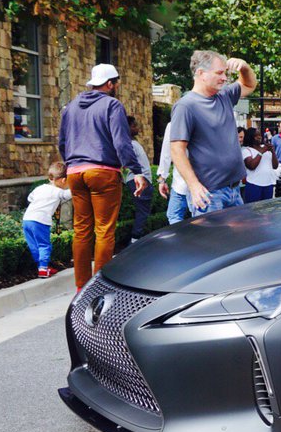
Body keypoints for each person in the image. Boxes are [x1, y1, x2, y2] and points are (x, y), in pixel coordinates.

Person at [58, 63, 147, 289]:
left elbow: (62, 142)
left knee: (82, 230)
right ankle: (98, 287)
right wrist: (135, 170)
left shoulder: (70, 107)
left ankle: (81, 286)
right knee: (104, 230)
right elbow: (121, 142)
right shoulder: (112, 105)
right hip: (103, 172)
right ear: (110, 84)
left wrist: (71, 163)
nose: (116, 87)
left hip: (75, 172)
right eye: (116, 83)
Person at [168, 50, 257, 216]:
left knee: (239, 242)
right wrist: (194, 186)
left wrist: (244, 67)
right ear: (201, 73)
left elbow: (249, 85)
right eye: (219, 73)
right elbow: (177, 150)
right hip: (210, 194)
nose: (224, 78)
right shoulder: (186, 106)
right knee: (211, 242)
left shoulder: (224, 95)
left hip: (234, 189)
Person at [22, 160, 71, 278]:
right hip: (40, 221)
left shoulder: (39, 188)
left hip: (27, 219)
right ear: (63, 180)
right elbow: (69, 195)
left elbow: (30, 198)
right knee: (44, 245)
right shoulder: (58, 192)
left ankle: (41, 266)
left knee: (34, 245)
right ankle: (43, 269)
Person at [118, 116, 153, 249]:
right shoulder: (129, 144)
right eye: (134, 126)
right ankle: (134, 241)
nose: (137, 128)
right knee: (143, 212)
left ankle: (137, 239)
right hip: (139, 181)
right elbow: (125, 163)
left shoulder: (131, 143)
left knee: (142, 211)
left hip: (140, 180)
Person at [156, 131, 190, 224]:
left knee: (174, 216)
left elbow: (166, 154)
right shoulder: (208, 118)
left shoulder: (174, 123)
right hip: (206, 181)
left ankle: (182, 238)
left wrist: (161, 180)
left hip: (181, 183)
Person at [241, 127, 279, 202]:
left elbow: (275, 166)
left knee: (266, 211)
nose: (259, 137)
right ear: (251, 138)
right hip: (254, 185)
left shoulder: (265, 148)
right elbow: (251, 166)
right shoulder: (247, 150)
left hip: (268, 184)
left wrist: (273, 152)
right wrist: (261, 152)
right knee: (253, 211)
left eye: (260, 135)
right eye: (256, 136)